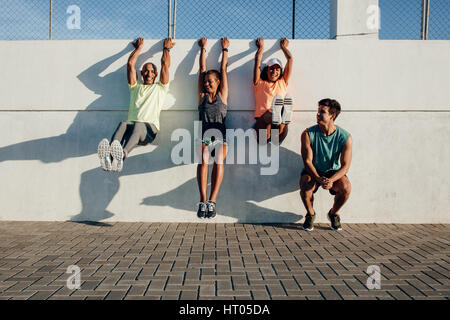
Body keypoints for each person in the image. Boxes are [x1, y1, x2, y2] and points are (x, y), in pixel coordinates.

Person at [97, 37, 175, 172]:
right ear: (141, 73)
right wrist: (138, 48)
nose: (149, 73)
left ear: (156, 74)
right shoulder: (135, 87)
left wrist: (166, 49)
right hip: (132, 127)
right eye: (146, 70)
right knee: (123, 124)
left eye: (151, 71)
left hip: (149, 131)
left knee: (139, 124)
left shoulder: (160, 88)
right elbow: (130, 65)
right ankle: (109, 158)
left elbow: (164, 65)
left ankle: (122, 154)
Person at [299, 99, 353, 231]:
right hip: (314, 171)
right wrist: (318, 178)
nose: (317, 114)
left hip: (332, 173)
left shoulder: (345, 137)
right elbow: (307, 161)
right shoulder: (307, 134)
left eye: (322, 112)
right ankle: (310, 214)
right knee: (305, 184)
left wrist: (331, 180)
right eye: (318, 111)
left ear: (332, 116)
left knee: (346, 188)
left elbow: (345, 166)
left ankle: (333, 214)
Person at [196, 37, 229, 219]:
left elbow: (223, 70)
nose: (207, 83)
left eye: (211, 81)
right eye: (206, 81)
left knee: (219, 161)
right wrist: (203, 49)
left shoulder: (222, 96)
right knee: (204, 159)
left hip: (221, 135)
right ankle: (202, 201)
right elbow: (201, 70)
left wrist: (225, 50)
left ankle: (212, 201)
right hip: (204, 135)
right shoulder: (201, 96)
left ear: (217, 82)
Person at [253, 37, 293, 144]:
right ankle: (279, 117)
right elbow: (257, 62)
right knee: (269, 118)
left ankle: (282, 120)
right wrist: (260, 48)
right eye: (271, 68)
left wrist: (283, 47)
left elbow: (290, 59)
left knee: (277, 119)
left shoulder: (282, 82)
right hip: (263, 121)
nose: (274, 71)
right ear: (266, 70)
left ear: (280, 71)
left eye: (277, 69)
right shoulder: (259, 83)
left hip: (278, 126)